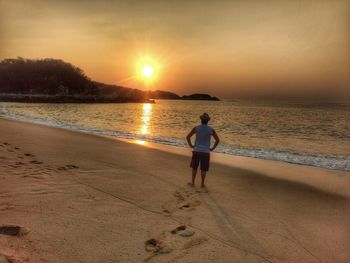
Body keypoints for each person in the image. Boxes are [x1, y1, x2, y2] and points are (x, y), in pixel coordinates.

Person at [186, 113, 220, 188]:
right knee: (203, 169)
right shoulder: (211, 129)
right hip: (206, 152)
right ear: (208, 121)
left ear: (201, 120)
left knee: (194, 168)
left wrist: (191, 145)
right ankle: (202, 184)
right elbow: (217, 140)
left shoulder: (196, 128)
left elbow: (188, 137)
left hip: (197, 150)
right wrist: (212, 148)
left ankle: (193, 183)